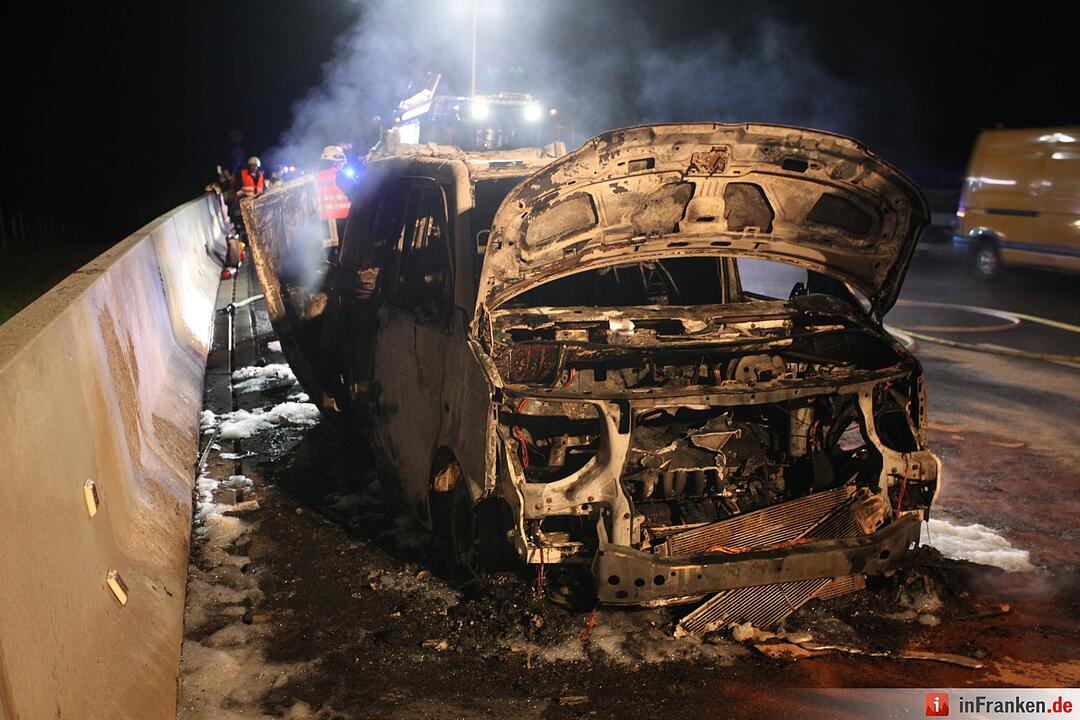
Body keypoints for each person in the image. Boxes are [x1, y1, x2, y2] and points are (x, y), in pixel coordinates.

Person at [315, 145, 352, 253]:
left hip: (322, 220)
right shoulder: (339, 175)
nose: (342, 166)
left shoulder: (315, 177)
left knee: (327, 254)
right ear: (335, 163)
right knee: (344, 252)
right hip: (342, 219)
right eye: (341, 164)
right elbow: (356, 193)